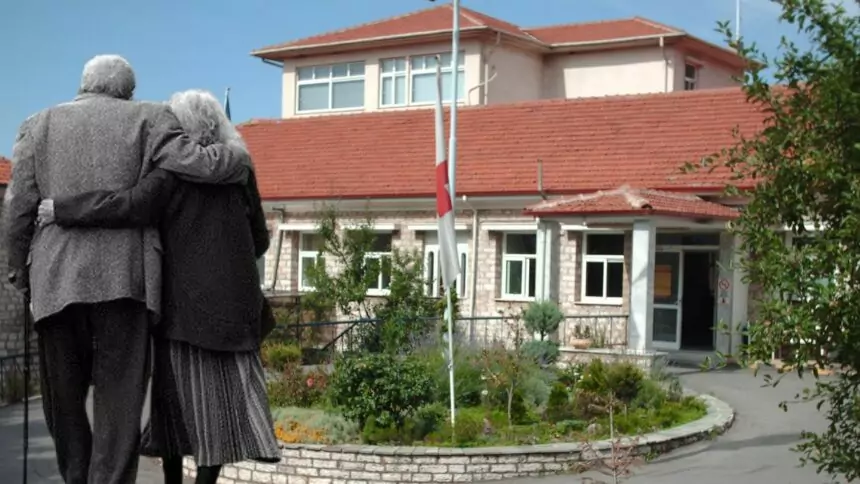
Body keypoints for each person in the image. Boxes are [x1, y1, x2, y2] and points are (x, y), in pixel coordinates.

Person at [2, 55, 249, 484]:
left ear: (84, 84)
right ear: (128, 91)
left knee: (64, 399)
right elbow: (201, 164)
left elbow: (18, 209)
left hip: (55, 282)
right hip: (127, 281)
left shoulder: (37, 125)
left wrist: (20, 276)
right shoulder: (151, 118)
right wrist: (238, 158)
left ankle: (75, 475)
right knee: (120, 402)